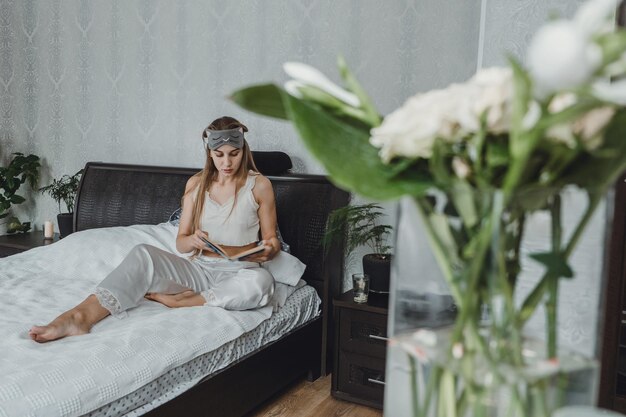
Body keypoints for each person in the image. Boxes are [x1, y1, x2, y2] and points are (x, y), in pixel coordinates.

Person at [29, 116, 281, 343]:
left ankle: (186, 301)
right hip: (200, 268)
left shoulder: (259, 185)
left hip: (240, 272)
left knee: (262, 282)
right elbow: (180, 243)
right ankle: (79, 316)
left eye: (234, 154)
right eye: (219, 154)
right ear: (210, 153)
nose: (227, 162)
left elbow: (271, 240)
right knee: (144, 254)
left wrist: (267, 249)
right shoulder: (196, 184)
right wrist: (192, 240)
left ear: (243, 150)